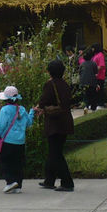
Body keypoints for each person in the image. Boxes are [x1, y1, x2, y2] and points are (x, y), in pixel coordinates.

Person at [37, 59, 75, 191]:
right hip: (65, 121)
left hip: (55, 122)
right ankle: (49, 179)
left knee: (56, 153)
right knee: (54, 151)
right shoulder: (65, 84)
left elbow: (43, 101)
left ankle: (67, 182)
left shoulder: (50, 84)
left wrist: (39, 107)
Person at [0, 85, 35, 193]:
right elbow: (29, 123)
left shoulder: (5, 110)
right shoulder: (21, 109)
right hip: (20, 142)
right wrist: (32, 112)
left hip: (8, 141)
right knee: (18, 163)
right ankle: (18, 185)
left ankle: (10, 181)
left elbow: (1, 125)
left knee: (5, 162)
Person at [79, 49, 99, 113]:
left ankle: (86, 106)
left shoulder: (82, 64)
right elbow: (96, 74)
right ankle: (93, 108)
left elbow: (80, 73)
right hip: (92, 82)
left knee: (85, 95)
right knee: (93, 95)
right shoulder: (93, 64)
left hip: (83, 82)